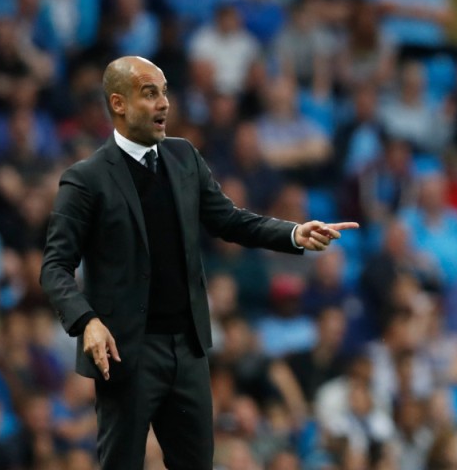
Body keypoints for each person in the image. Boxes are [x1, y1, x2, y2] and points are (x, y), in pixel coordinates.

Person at [39, 55, 358, 470]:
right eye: (150, 93)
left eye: (166, 92)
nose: (165, 104)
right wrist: (87, 322)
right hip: (126, 354)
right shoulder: (86, 179)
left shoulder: (184, 156)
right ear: (118, 104)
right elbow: (54, 267)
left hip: (188, 349)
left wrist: (293, 233)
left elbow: (228, 219)